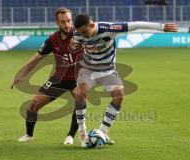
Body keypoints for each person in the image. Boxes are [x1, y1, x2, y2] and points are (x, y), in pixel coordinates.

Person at [72, 14, 178, 147]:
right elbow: (72, 42)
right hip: (88, 69)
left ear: (92, 25)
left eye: (85, 32)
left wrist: (162, 27)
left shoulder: (109, 29)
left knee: (119, 96)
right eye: (80, 33)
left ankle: (103, 132)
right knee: (78, 93)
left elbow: (136, 25)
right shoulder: (77, 34)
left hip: (108, 70)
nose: (83, 35)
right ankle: (82, 133)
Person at [10, 8, 84, 145]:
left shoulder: (81, 35)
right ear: (57, 22)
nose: (67, 25)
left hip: (78, 79)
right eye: (63, 22)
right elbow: (37, 57)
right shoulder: (52, 40)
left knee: (80, 104)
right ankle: (28, 135)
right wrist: (21, 74)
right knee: (33, 105)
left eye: (68, 21)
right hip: (59, 79)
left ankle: (70, 136)